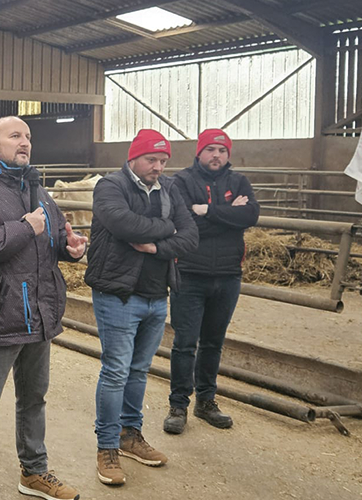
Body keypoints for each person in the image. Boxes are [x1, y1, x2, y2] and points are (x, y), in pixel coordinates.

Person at [0, 116, 87, 500]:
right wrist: (25, 228)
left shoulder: (36, 187)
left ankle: (34, 472)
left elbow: (56, 236)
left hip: (38, 314)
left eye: (27, 136)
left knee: (33, 399)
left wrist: (71, 247)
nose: (24, 142)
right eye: (14, 136)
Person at [84, 129, 198, 484]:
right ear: (134, 157)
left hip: (156, 294)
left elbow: (191, 236)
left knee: (138, 370)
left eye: (163, 161)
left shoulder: (169, 190)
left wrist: (157, 246)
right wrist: (168, 229)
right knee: (116, 371)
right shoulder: (110, 186)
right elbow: (122, 223)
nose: (158, 167)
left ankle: (130, 435)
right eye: (152, 159)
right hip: (118, 294)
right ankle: (107, 447)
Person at [164, 128, 259, 434]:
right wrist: (230, 213)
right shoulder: (181, 181)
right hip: (190, 273)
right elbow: (186, 226)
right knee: (184, 343)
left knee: (213, 343)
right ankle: (178, 405)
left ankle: (206, 401)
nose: (216, 156)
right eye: (210, 150)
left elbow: (251, 216)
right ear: (199, 152)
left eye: (222, 151)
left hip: (229, 275)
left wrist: (209, 211)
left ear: (227, 155)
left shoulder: (239, 180)